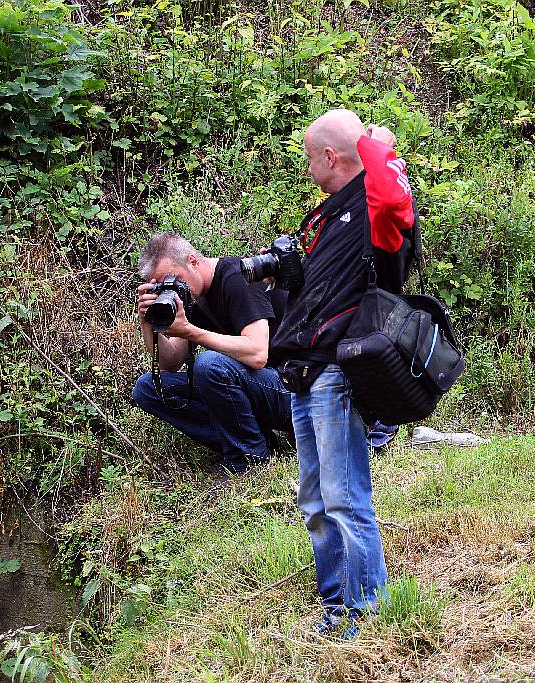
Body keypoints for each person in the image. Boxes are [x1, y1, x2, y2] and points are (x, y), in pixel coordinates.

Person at [269, 109, 417, 635]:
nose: (308, 169)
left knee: (345, 497)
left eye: (311, 159)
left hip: (338, 373)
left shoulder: (377, 208)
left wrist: (379, 142)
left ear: (330, 156)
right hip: (303, 374)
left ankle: (365, 612)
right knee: (314, 501)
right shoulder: (328, 217)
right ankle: (337, 606)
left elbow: (396, 196)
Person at [132, 233, 292, 473]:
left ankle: (248, 459)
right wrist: (147, 321)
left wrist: (190, 331)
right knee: (149, 387)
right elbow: (170, 363)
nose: (170, 290)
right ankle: (254, 441)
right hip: (260, 388)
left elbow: (258, 353)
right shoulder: (190, 296)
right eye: (161, 286)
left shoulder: (236, 277)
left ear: (193, 261)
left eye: (173, 280)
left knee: (209, 364)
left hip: (294, 390)